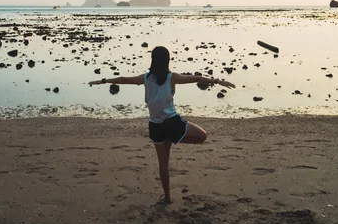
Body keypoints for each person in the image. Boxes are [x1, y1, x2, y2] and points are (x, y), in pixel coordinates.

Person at [89, 45, 235, 204]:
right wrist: (217, 81)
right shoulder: (171, 77)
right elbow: (196, 78)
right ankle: (174, 139)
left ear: (153, 60)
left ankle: (167, 198)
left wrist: (102, 81)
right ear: (167, 60)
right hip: (172, 123)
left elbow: (122, 79)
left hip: (155, 127)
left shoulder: (145, 78)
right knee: (202, 136)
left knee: (163, 163)